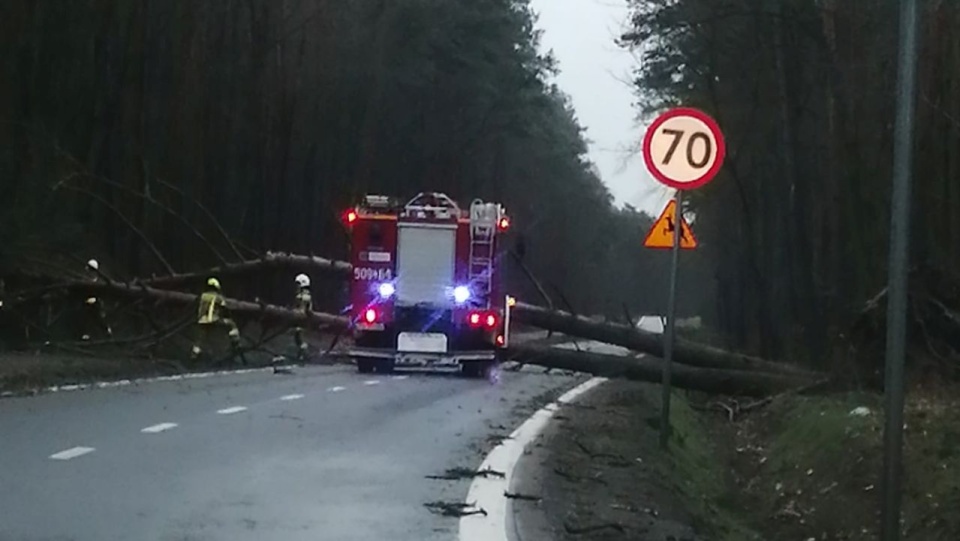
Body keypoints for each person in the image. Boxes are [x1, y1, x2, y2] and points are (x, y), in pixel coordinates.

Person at [191, 277, 245, 365]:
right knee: (231, 324)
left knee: (200, 339)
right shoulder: (218, 297)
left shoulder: (202, 296)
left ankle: (194, 355)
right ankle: (236, 343)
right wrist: (228, 315)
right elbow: (225, 308)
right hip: (214, 320)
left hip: (201, 321)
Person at [81, 259, 113, 341]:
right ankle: (87, 334)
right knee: (86, 316)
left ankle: (107, 330)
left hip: (97, 302)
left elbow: (101, 294)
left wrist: (96, 299)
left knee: (98, 317)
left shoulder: (99, 281)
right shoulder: (85, 279)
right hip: (87, 302)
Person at [292, 273, 313, 362]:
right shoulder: (303, 295)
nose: (296, 287)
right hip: (301, 319)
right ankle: (302, 355)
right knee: (298, 338)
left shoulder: (305, 296)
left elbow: (303, 309)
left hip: (302, 320)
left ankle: (304, 355)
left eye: (298, 284)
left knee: (299, 337)